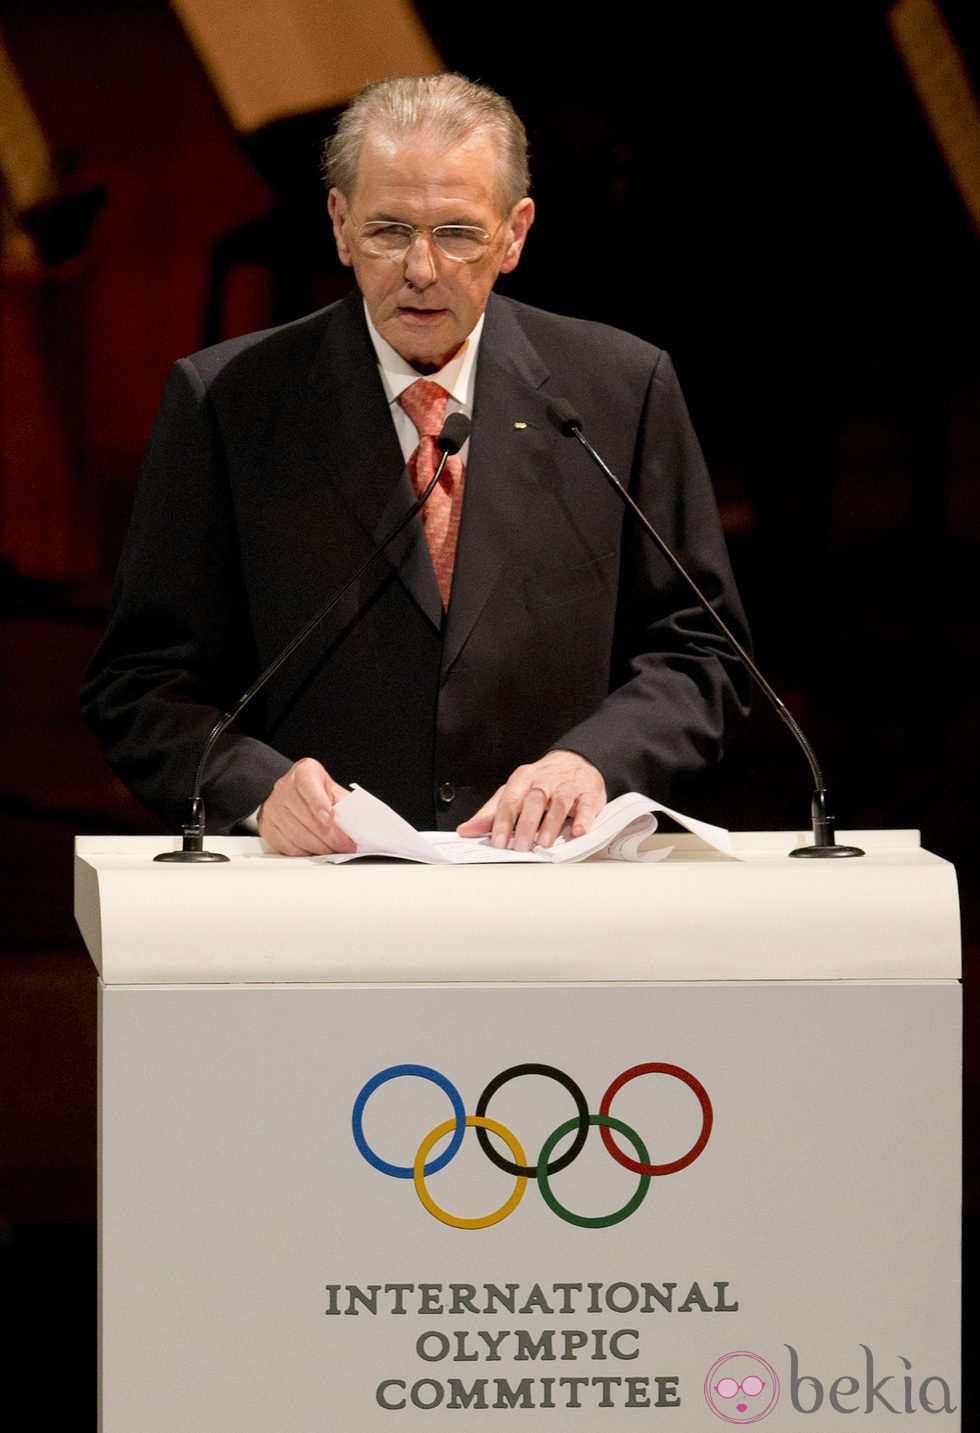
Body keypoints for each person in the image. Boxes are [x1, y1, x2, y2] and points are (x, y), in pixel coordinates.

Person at [82, 74, 749, 857]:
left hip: (555, 895)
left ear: (515, 234)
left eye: (459, 233)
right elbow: (138, 683)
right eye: (389, 230)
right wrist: (254, 788)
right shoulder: (228, 402)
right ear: (339, 224)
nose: (421, 269)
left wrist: (593, 761)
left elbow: (703, 655)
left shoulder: (618, 392)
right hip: (319, 902)